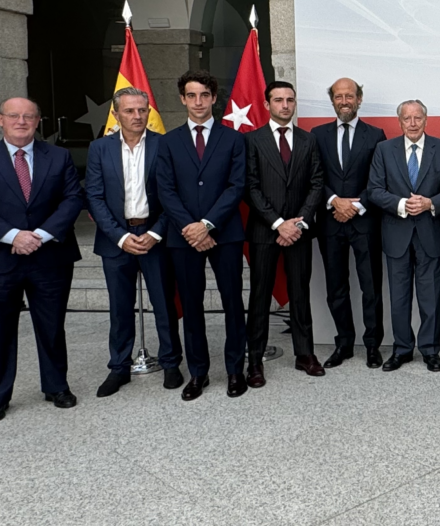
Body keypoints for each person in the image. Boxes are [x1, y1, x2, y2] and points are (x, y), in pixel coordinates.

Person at [0, 97, 84, 423]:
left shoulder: (59, 156)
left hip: (50, 256)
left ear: (38, 121)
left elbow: (72, 199)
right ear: (0, 119)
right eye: (13, 115)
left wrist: (39, 235)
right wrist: (14, 236)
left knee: (52, 327)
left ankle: (56, 387)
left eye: (29, 116)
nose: (21, 122)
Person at [155, 70, 249, 401]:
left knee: (233, 303)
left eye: (204, 95)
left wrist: (207, 224)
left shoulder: (234, 139)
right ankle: (198, 372)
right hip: (183, 237)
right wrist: (191, 228)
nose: (198, 102)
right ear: (183, 99)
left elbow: (236, 186)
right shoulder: (168, 142)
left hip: (225, 234)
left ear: (214, 98)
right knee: (191, 305)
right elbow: (165, 190)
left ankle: (235, 370)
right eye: (192, 95)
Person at [84, 87, 183, 397]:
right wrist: (121, 236)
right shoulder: (99, 148)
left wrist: (155, 233)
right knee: (120, 308)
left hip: (156, 236)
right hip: (116, 240)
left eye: (142, 110)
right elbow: (94, 196)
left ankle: (170, 362)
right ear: (116, 114)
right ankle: (119, 367)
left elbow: (174, 195)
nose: (137, 116)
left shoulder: (164, 144)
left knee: (164, 304)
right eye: (129, 111)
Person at [244, 80, 327, 387]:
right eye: (278, 100)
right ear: (267, 104)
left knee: (300, 293)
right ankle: (254, 360)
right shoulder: (252, 140)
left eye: (290, 99)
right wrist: (279, 223)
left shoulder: (308, 140)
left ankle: (305, 354)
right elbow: (250, 187)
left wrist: (298, 223)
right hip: (265, 231)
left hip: (299, 231)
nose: (285, 105)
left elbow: (316, 183)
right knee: (259, 296)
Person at [367, 100, 440, 373]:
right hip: (397, 234)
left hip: (430, 233)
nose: (413, 123)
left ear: (426, 120)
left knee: (431, 297)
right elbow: (374, 190)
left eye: (417, 118)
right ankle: (402, 349)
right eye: (407, 118)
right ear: (399, 121)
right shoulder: (384, 149)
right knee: (399, 298)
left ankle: (430, 350)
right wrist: (403, 204)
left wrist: (430, 203)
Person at [311, 78, 387, 369]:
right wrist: (334, 201)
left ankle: (372, 345)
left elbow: (379, 178)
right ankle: (344, 343)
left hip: (364, 222)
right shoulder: (317, 135)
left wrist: (355, 205)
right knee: (336, 287)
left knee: (371, 287)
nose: (344, 101)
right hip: (330, 222)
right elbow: (314, 177)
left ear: (359, 99)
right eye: (339, 97)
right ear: (332, 101)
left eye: (350, 96)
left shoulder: (376, 135)